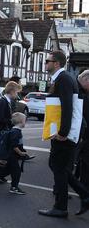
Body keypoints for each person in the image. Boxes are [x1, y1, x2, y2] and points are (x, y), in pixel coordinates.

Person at [39, 51, 89, 218]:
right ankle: (84, 195)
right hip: (64, 132)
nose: (45, 63)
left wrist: (63, 132)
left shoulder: (64, 79)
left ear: (57, 63)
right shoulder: (62, 79)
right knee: (60, 167)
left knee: (58, 167)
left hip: (65, 134)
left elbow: (68, 107)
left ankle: (61, 207)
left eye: (48, 61)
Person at [0, 112, 29, 195]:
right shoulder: (16, 132)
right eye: (25, 120)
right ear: (21, 122)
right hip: (12, 155)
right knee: (16, 171)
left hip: (10, 155)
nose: (25, 122)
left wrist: (22, 150)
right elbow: (14, 145)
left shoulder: (13, 130)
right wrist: (21, 152)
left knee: (9, 170)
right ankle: (14, 187)